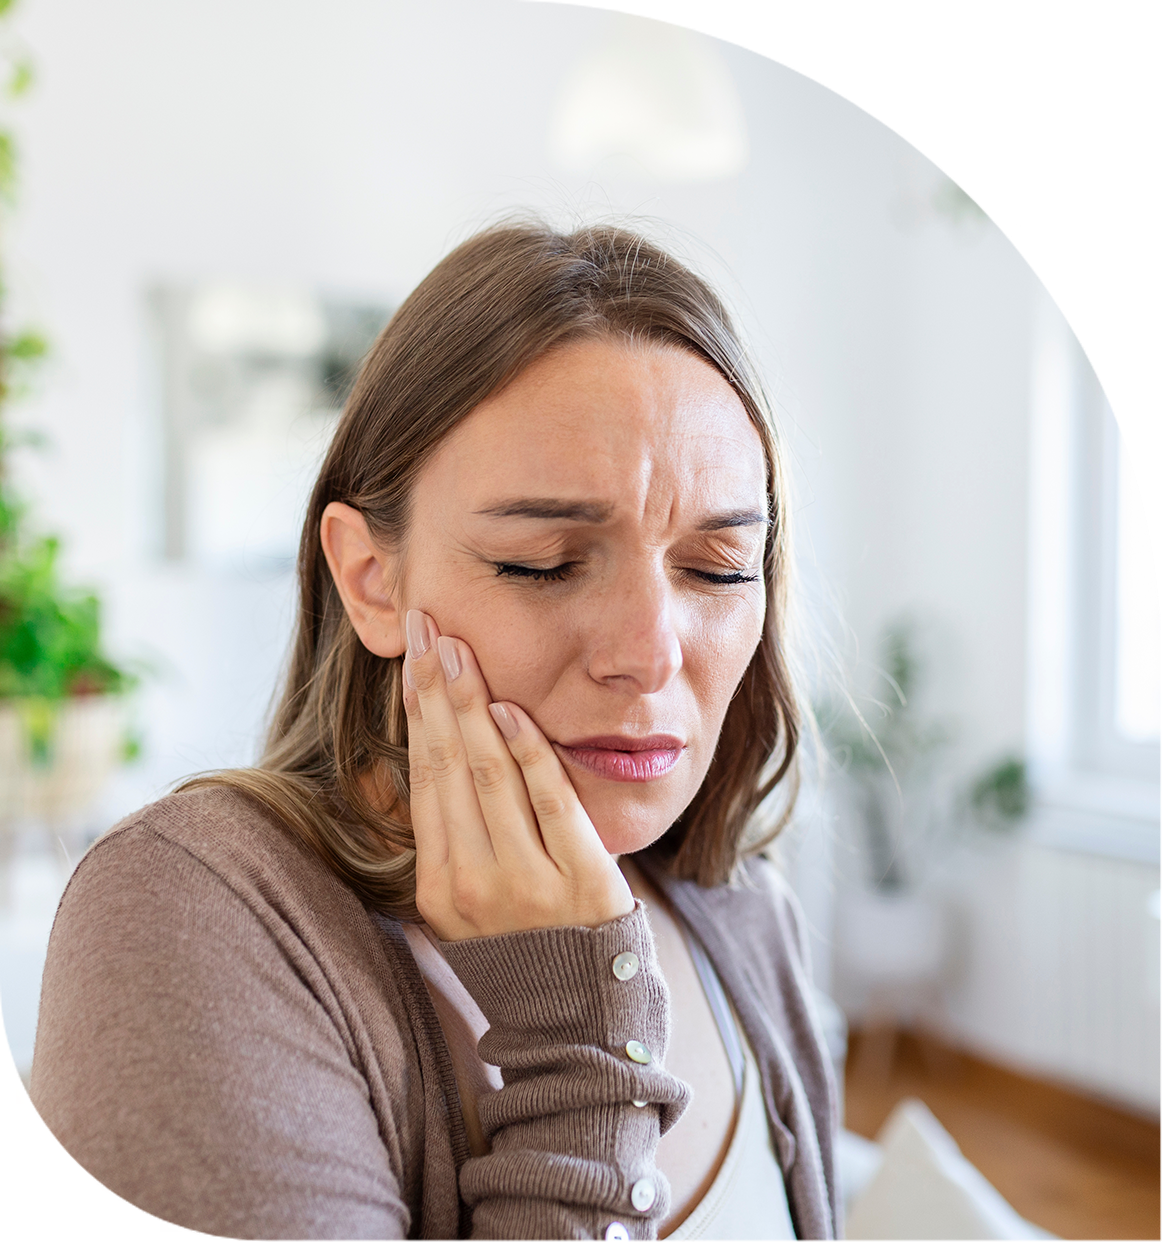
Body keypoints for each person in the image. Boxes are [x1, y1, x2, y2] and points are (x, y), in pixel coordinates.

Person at [28, 221, 841, 1241]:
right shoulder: (189, 913)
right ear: (372, 578)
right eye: (543, 561)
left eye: (718, 570)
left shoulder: (740, 908)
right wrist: (575, 1048)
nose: (648, 653)